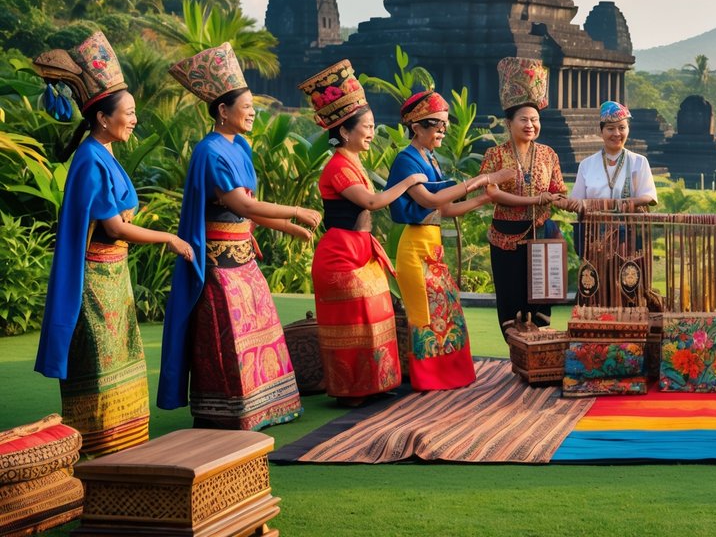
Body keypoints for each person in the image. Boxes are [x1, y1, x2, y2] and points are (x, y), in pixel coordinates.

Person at [33, 32, 193, 455]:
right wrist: (169, 238)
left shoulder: (102, 154)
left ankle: (120, 449)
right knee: (102, 365)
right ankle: (99, 454)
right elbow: (116, 226)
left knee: (119, 361)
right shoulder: (90, 159)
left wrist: (123, 218)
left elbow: (120, 217)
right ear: (103, 118)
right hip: (97, 282)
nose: (135, 119)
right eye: (130, 112)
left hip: (112, 277)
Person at [157, 43, 317, 429]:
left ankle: (269, 405)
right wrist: (295, 210)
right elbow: (240, 207)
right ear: (223, 111)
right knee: (227, 334)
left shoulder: (239, 146)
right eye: (246, 108)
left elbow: (250, 204)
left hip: (243, 257)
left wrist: (285, 227)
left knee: (259, 328)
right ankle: (228, 409)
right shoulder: (210, 151)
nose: (252, 115)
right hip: (220, 265)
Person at [301, 60, 426, 406]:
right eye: (366, 127)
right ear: (344, 132)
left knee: (376, 316)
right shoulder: (338, 166)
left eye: (373, 126)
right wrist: (410, 181)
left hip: (360, 250)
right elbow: (371, 201)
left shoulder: (354, 162)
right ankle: (351, 390)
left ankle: (375, 382)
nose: (372, 132)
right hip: (341, 255)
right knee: (353, 325)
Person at [387, 90, 511, 391]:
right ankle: (428, 380)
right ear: (416, 127)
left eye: (445, 124)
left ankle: (449, 377)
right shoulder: (406, 160)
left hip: (433, 245)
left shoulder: (430, 158)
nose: (443, 130)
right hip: (415, 248)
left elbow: (446, 209)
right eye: (436, 124)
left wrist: (484, 198)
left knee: (448, 311)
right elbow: (430, 201)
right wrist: (479, 180)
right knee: (424, 317)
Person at [479, 57, 567, 329]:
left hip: (542, 231)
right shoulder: (495, 155)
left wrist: (571, 202)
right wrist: (534, 199)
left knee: (539, 302)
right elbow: (491, 193)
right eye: (524, 119)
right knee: (511, 298)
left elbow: (559, 191)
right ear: (509, 122)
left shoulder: (548, 154)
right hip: (505, 235)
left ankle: (538, 360)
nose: (530, 125)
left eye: (535, 119)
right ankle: (517, 357)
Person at [566, 101, 657, 215]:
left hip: (628, 228)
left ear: (628, 129)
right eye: (610, 128)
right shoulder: (587, 165)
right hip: (592, 228)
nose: (617, 133)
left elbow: (648, 196)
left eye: (622, 128)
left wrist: (621, 204)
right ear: (601, 131)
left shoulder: (639, 162)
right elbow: (576, 200)